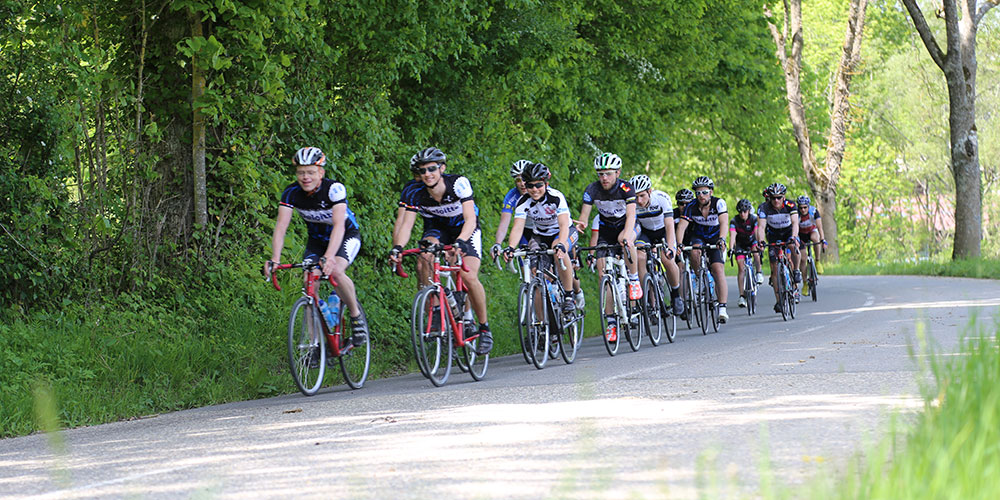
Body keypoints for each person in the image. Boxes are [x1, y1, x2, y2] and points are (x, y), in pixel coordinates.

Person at [387, 147, 492, 355]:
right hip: (436, 229)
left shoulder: (458, 184)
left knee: (468, 275)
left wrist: (461, 242)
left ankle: (484, 327)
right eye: (422, 170)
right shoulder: (413, 191)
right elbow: (406, 224)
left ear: (442, 168)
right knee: (423, 257)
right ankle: (436, 311)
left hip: (464, 228)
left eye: (432, 169)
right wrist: (397, 247)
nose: (427, 174)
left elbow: (470, 219)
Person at [264, 146, 367, 346]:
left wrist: (329, 257)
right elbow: (281, 226)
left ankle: (356, 317)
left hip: (346, 236)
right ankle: (314, 343)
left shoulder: (334, 190)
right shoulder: (291, 193)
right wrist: (275, 258)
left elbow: (339, 226)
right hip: (317, 241)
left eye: (311, 172)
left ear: (321, 173)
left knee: (336, 271)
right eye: (301, 172)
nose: (305, 177)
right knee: (309, 281)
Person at [573, 152, 640, 342]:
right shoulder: (592, 189)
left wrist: (627, 235)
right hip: (606, 229)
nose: (604, 178)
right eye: (600, 174)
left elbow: (632, 216)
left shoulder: (626, 188)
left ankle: (633, 279)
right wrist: (582, 224)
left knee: (625, 240)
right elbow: (585, 215)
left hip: (627, 224)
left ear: (618, 173)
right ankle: (611, 322)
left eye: (608, 173)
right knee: (605, 276)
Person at [503, 162, 579, 315]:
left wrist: (562, 244)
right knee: (536, 275)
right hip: (541, 235)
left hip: (563, 232)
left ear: (546, 183)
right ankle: (542, 326)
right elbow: (518, 227)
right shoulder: (523, 202)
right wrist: (511, 247)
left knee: (559, 249)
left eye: (538, 185)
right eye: (530, 186)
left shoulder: (556, 197)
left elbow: (564, 224)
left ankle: (569, 296)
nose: (534, 189)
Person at [675, 176, 730, 323]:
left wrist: (722, 238)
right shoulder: (691, 206)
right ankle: (700, 278)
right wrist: (679, 243)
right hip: (699, 237)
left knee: (718, 269)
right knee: (694, 250)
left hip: (715, 238)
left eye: (704, 192)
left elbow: (724, 222)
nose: (701, 196)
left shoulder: (719, 203)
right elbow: (681, 226)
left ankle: (723, 308)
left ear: (711, 192)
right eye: (698, 193)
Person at [629, 175, 684, 315]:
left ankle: (676, 294)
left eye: (642, 196)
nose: (639, 201)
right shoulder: (631, 204)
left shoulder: (661, 198)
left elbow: (670, 225)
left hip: (663, 231)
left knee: (667, 259)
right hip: (645, 233)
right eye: (636, 197)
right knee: (640, 257)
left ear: (649, 191)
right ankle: (646, 295)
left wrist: (671, 248)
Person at [755, 183, 801, 313]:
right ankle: (779, 300)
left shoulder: (790, 205)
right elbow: (761, 227)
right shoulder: (764, 207)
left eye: (779, 197)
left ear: (784, 197)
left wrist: (794, 236)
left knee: (793, 245)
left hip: (788, 232)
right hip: (773, 235)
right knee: (774, 269)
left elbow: (795, 223)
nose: (776, 200)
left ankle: (796, 270)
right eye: (773, 197)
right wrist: (761, 241)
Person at [491, 160, 534, 260]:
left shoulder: (540, 190)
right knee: (524, 265)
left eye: (525, 179)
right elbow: (504, 223)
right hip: (526, 230)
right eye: (518, 180)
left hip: (546, 229)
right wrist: (498, 243)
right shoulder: (512, 196)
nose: (522, 184)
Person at [728, 198, 763, 308]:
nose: (743, 214)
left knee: (756, 253)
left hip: (752, 241)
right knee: (740, 266)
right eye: (740, 212)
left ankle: (758, 272)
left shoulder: (754, 219)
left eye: (745, 211)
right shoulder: (734, 221)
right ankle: (742, 296)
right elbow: (732, 236)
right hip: (740, 244)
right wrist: (731, 248)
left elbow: (757, 232)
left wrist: (760, 243)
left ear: (748, 211)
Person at [795, 194, 827, 295]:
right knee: (803, 259)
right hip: (801, 234)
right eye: (801, 208)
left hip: (811, 231)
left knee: (815, 238)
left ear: (808, 206)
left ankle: (817, 261)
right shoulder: (797, 214)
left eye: (805, 207)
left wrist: (823, 240)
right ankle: (805, 283)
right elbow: (794, 229)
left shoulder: (813, 212)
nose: (803, 210)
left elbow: (820, 227)